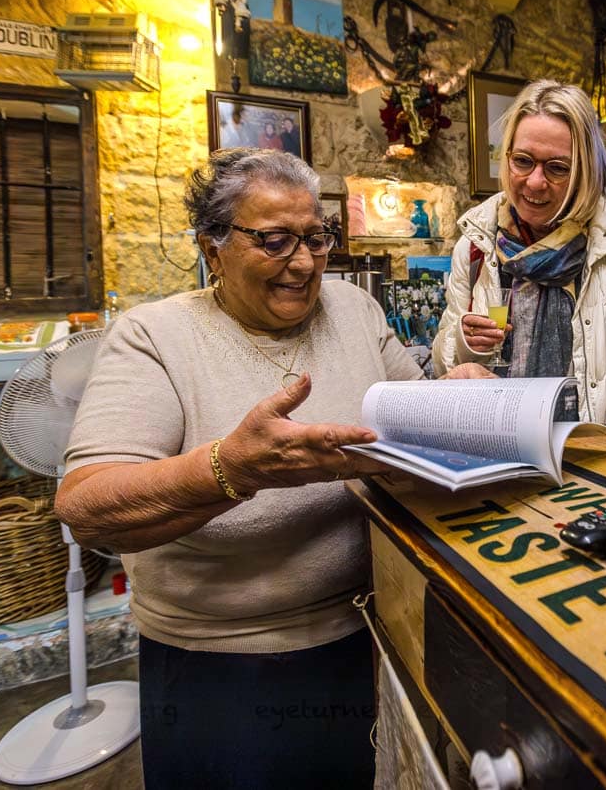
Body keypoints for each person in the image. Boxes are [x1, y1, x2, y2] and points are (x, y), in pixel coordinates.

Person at [56, 149, 451, 787]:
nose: (302, 262)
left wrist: (459, 392)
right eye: (273, 240)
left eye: (315, 238)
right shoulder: (155, 337)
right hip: (222, 668)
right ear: (213, 249)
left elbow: (410, 411)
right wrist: (233, 469)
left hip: (369, 633)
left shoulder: (353, 309)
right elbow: (88, 507)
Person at [432, 79, 606, 432]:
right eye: (523, 161)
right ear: (506, 157)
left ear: (585, 169)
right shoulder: (475, 245)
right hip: (501, 445)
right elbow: (443, 364)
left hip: (597, 453)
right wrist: (464, 341)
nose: (536, 182)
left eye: (557, 168)